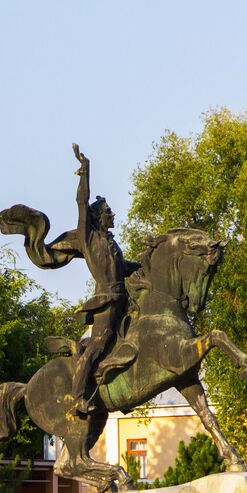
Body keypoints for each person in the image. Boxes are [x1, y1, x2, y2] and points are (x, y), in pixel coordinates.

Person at [68, 144, 136, 415]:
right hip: (106, 302)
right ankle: (76, 398)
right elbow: (82, 203)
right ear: (98, 217)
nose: (113, 214)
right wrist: (85, 171)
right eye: (108, 211)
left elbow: (123, 267)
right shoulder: (89, 237)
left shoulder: (112, 244)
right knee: (97, 347)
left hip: (123, 299)